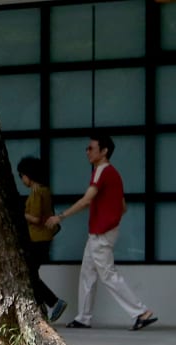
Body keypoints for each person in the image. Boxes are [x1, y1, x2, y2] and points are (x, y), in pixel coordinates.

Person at [45, 133, 156, 331]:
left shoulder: (102, 171)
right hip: (102, 231)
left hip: (101, 232)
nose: (87, 151)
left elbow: (87, 199)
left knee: (107, 275)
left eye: (91, 148)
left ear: (104, 151)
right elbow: (122, 206)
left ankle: (141, 312)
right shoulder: (112, 173)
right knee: (88, 273)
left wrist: (59, 217)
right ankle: (83, 318)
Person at [17, 156, 67, 323]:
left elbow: (37, 219)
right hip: (41, 239)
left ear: (28, 175)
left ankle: (53, 302)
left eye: (22, 175)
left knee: (28, 275)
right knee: (30, 274)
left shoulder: (38, 192)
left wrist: (21, 214)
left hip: (37, 239)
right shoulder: (43, 190)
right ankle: (42, 307)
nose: (22, 179)